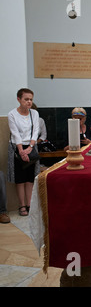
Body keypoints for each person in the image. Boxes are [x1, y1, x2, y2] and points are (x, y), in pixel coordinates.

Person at [7, 88, 40, 217]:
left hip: (31, 146)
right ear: (19, 99)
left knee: (30, 178)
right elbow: (15, 133)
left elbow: (35, 130)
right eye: (26, 99)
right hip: (17, 147)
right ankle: (22, 205)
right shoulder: (12, 114)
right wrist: (21, 151)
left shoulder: (34, 114)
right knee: (20, 178)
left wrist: (30, 147)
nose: (29, 102)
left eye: (31, 99)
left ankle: (30, 204)